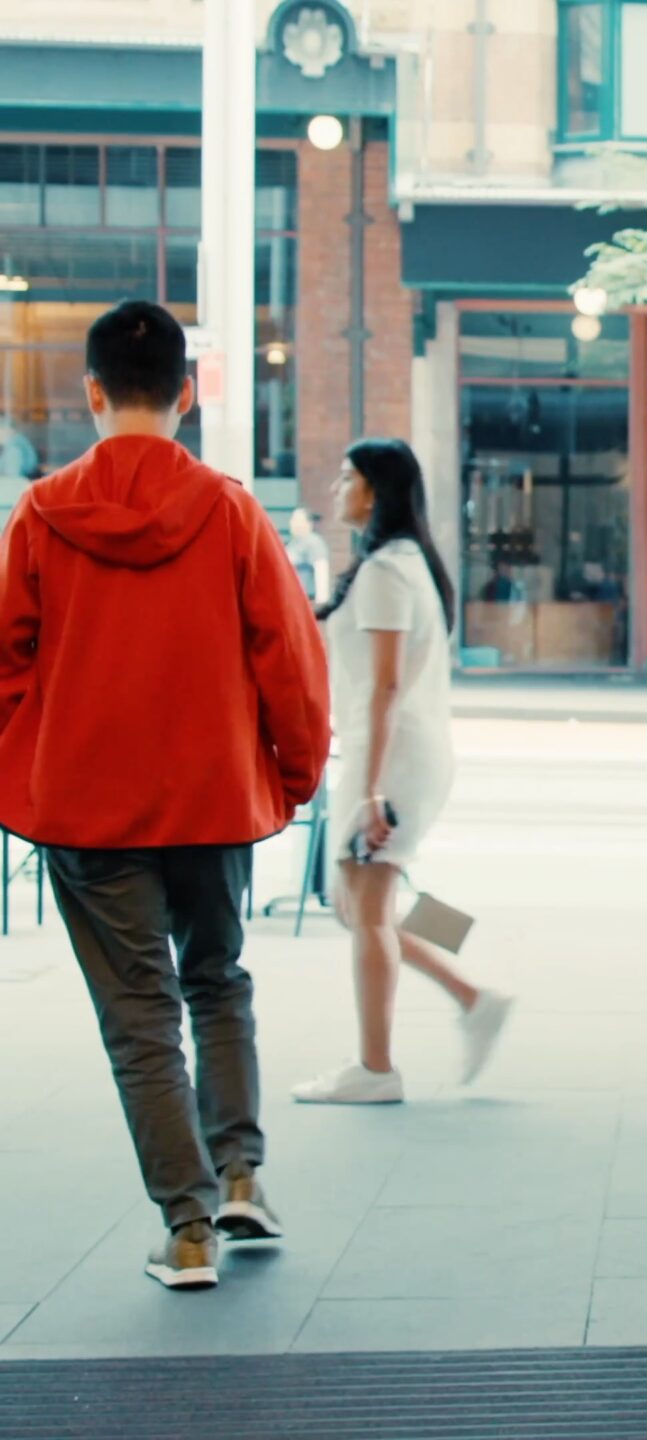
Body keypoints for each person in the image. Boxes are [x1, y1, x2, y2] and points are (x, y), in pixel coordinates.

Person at [0, 300, 329, 1289]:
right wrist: (296, 770)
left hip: (87, 806)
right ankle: (240, 1174)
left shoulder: (43, 513)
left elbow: (6, 664)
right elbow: (289, 656)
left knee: (139, 1017)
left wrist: (35, 761)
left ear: (92, 394)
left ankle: (187, 1230)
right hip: (212, 796)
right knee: (218, 979)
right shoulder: (230, 511)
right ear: (186, 395)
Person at [290, 438, 512, 1104]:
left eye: (347, 477)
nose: (336, 489)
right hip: (397, 754)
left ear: (375, 492)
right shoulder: (402, 563)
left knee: (365, 909)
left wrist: (369, 794)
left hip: (391, 760)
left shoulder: (388, 571)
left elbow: (386, 686)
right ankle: (474, 992)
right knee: (354, 905)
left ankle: (377, 1068)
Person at [284, 505, 330, 605]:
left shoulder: (314, 542)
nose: (293, 523)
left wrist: (321, 602)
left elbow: (321, 569)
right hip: (291, 600)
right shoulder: (293, 544)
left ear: (309, 524)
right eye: (293, 519)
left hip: (306, 600)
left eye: (298, 520)